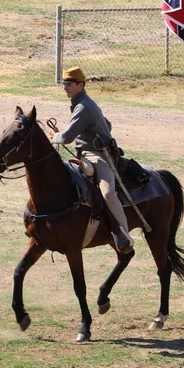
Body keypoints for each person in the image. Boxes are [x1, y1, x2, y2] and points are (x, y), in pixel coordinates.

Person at [50, 67, 134, 254]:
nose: (65, 88)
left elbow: (66, 138)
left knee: (107, 192)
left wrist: (55, 136)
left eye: (69, 85)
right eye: (64, 84)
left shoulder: (84, 106)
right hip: (85, 153)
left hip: (98, 155)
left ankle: (123, 234)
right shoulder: (83, 103)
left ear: (80, 85)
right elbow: (108, 124)